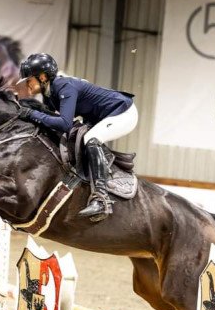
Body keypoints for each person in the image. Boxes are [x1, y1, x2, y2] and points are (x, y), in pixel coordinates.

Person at [17, 53, 138, 220]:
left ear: (43, 77)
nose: (26, 84)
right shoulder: (48, 94)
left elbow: (65, 123)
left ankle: (102, 199)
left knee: (91, 139)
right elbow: (51, 121)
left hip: (123, 112)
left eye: (28, 79)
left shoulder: (63, 86)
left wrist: (32, 114)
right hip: (100, 116)